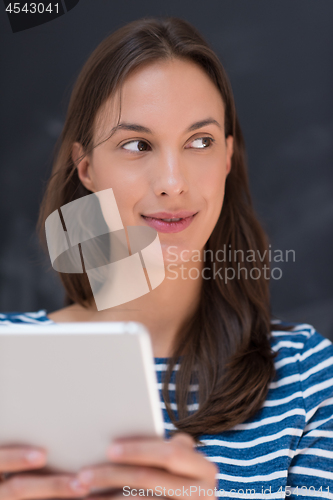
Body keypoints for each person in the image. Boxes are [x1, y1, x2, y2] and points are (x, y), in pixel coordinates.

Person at [1, 16, 332, 500]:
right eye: (137, 145)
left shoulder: (307, 374)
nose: (172, 181)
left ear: (226, 158)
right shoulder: (7, 355)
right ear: (86, 168)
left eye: (200, 142)